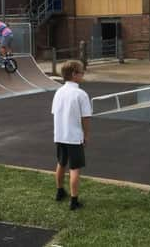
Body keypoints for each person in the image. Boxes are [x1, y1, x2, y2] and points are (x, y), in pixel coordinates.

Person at [52, 60, 92, 211]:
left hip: (60, 135)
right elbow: (86, 118)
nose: (83, 75)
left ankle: (59, 191)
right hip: (74, 137)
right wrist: (86, 135)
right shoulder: (81, 94)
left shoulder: (58, 92)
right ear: (74, 74)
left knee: (61, 163)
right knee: (75, 168)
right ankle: (74, 201)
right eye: (82, 72)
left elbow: (55, 113)